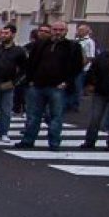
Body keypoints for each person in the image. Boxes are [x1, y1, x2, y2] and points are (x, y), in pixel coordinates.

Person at [13, 20, 83, 150]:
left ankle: (54, 142)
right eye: (55, 29)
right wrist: (30, 80)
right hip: (37, 85)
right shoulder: (41, 44)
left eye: (61, 30)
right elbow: (31, 63)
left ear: (66, 31)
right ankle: (28, 140)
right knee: (33, 115)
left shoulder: (73, 47)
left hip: (58, 87)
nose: (57, 32)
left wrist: (66, 82)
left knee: (56, 116)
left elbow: (77, 67)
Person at [66, 23, 95, 112]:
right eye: (78, 30)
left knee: (78, 87)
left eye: (81, 30)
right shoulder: (76, 40)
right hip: (73, 68)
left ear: (87, 31)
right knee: (71, 85)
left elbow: (90, 56)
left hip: (82, 68)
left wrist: (81, 66)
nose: (79, 32)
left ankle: (75, 105)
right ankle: (69, 104)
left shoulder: (90, 42)